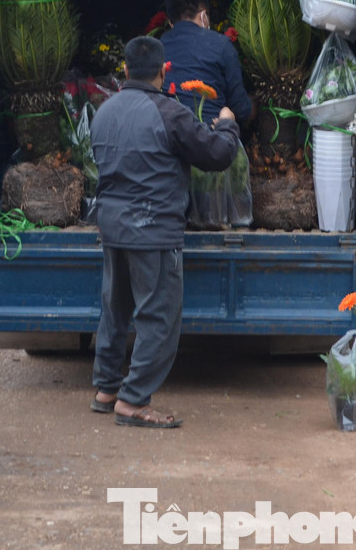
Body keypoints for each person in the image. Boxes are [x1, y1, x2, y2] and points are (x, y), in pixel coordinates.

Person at [89, 35, 240, 428]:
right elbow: (218, 155)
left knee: (115, 309)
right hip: (152, 230)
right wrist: (226, 125)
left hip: (112, 226)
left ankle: (106, 389)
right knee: (158, 317)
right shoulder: (169, 112)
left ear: (124, 70)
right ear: (162, 71)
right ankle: (133, 401)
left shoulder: (104, 111)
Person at [158, 0, 253, 123]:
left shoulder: (157, 47)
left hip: (166, 134)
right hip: (210, 135)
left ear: (171, 23)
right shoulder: (221, 44)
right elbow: (240, 108)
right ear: (203, 15)